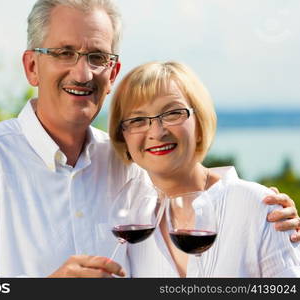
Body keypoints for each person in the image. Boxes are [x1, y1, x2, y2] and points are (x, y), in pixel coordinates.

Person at [0, 0, 300, 278]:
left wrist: (259, 209)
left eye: (97, 56)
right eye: (65, 52)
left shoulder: (128, 164)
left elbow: (187, 186)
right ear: (32, 66)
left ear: (113, 71)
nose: (82, 73)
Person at [109, 61, 300, 277]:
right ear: (123, 137)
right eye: (138, 120)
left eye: (172, 113)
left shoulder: (260, 206)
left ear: (199, 123)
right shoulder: (131, 221)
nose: (156, 132)